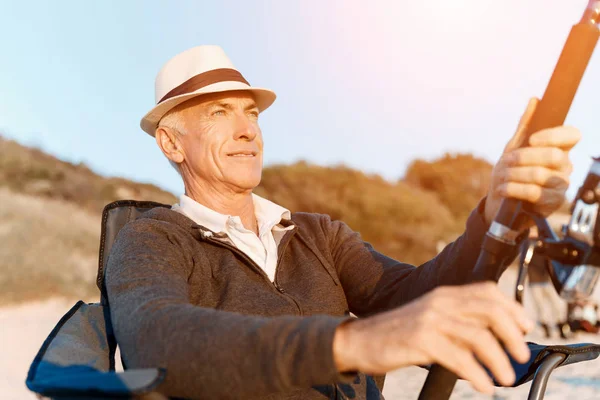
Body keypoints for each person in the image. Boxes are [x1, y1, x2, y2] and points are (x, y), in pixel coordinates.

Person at [105, 45, 581, 400]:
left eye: (251, 113)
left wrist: (494, 211)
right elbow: (156, 342)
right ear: (171, 144)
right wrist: (354, 343)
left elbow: (415, 295)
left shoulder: (316, 234)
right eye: (219, 113)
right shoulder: (151, 238)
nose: (248, 129)